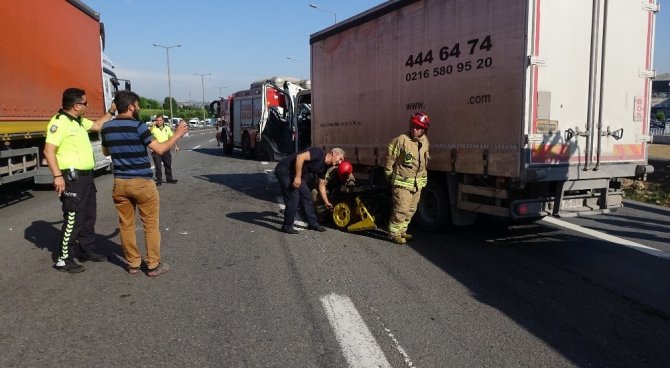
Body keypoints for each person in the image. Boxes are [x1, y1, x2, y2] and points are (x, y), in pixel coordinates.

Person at [101, 91, 188, 276]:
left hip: (120, 183)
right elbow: (160, 148)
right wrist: (178, 134)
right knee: (150, 224)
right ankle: (153, 265)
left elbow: (106, 152)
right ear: (131, 106)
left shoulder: (107, 127)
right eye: (138, 105)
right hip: (141, 182)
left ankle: (133, 264)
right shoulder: (138, 126)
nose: (139, 107)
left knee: (126, 225)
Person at [43, 87, 117, 273]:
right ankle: (63, 259)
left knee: (88, 214)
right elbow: (48, 150)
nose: (87, 105)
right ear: (76, 106)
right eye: (85, 103)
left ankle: (86, 250)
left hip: (86, 177)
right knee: (73, 217)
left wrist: (111, 111)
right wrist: (57, 176)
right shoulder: (59, 123)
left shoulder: (77, 121)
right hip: (71, 177)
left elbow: (98, 125)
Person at [384, 112, 431, 244]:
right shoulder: (401, 140)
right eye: (413, 126)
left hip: (417, 184)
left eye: (418, 127)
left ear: (424, 129)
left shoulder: (425, 141)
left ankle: (402, 231)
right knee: (401, 209)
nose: (414, 129)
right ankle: (393, 234)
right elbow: (389, 159)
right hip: (402, 183)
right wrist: (388, 175)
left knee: (411, 210)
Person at [275, 147, 345, 234]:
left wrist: (326, 202)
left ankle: (313, 224)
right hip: (284, 170)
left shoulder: (324, 167)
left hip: (295, 173)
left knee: (306, 195)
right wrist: (297, 177)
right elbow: (300, 157)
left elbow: (321, 185)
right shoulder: (319, 153)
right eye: (340, 158)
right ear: (334, 153)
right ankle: (287, 226)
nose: (340, 162)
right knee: (294, 196)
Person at [149, 115, 178, 185]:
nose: (158, 122)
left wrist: (176, 146)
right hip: (156, 149)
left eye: (160, 120)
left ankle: (169, 179)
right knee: (158, 166)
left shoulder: (167, 128)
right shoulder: (153, 128)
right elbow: (148, 136)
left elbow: (172, 138)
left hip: (166, 149)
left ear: (163, 121)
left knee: (168, 164)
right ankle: (159, 180)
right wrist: (151, 148)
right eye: (157, 120)